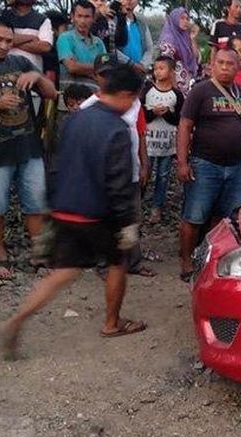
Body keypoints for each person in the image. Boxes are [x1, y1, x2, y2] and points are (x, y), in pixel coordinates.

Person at [2, 64, 148, 360]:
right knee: (118, 263)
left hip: (66, 209)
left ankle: (17, 319)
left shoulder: (75, 120)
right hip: (98, 214)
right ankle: (112, 323)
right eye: (132, 99)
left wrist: (51, 207)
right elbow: (118, 181)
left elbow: (55, 165)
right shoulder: (118, 129)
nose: (132, 105)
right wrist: (127, 224)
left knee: (63, 272)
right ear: (124, 94)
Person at [0, 17, 57, 279]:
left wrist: (36, 76)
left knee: (36, 202)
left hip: (29, 147)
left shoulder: (20, 62)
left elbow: (51, 94)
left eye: (9, 40)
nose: (5, 45)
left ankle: (38, 254)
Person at [177, 48, 241, 281]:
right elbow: (185, 126)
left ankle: (211, 258)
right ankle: (187, 261)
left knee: (223, 218)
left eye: (231, 63)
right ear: (211, 64)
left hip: (236, 166)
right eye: (221, 62)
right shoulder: (200, 91)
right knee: (194, 216)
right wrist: (182, 162)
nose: (225, 67)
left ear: (238, 67)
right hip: (205, 163)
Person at [80, 53, 153, 277]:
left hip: (129, 170)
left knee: (132, 216)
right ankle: (105, 264)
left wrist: (144, 164)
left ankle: (133, 262)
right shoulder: (88, 107)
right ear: (95, 77)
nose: (108, 78)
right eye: (104, 74)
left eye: (112, 74)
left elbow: (140, 134)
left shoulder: (133, 102)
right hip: (102, 176)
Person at [141, 56, 184, 224]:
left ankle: (156, 207)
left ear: (171, 71)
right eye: (156, 68)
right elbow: (141, 115)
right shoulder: (147, 89)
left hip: (167, 143)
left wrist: (166, 113)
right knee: (145, 173)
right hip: (149, 142)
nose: (158, 71)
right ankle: (137, 203)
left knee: (163, 176)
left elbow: (179, 120)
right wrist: (152, 113)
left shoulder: (177, 94)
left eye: (162, 68)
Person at [57, 0, 106, 92]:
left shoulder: (99, 43)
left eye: (87, 16)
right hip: (71, 98)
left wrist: (82, 68)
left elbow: (105, 71)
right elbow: (72, 67)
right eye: (79, 16)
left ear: (94, 18)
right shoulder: (65, 38)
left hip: (95, 97)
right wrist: (96, 68)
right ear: (72, 16)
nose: (83, 21)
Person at [158, 7, 199, 96]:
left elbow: (195, 56)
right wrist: (174, 88)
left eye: (187, 19)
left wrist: (192, 38)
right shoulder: (168, 39)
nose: (185, 21)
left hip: (187, 85)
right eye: (182, 18)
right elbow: (166, 66)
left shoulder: (185, 37)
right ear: (174, 19)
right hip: (174, 86)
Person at [119, 0, 152, 74]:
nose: (129, 1)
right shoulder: (113, 21)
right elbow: (112, 48)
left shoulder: (141, 22)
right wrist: (132, 64)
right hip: (119, 72)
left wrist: (142, 65)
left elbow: (149, 48)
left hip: (139, 73)